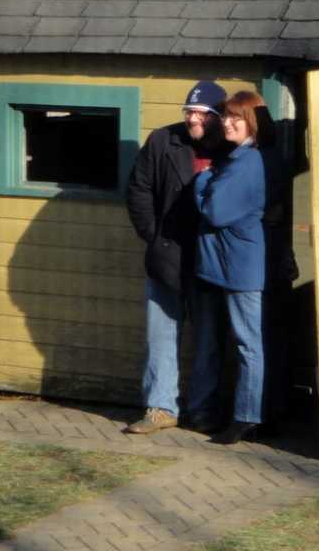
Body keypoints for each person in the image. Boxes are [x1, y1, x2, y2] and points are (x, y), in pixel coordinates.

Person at [124, 80, 227, 434]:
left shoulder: (231, 147)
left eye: (200, 113)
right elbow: (138, 190)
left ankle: (202, 409)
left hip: (212, 257)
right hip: (167, 253)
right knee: (161, 334)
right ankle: (160, 408)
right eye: (189, 111)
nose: (192, 118)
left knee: (209, 336)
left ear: (216, 116)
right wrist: (154, 237)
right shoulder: (162, 141)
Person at [189, 91, 274, 444]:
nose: (227, 122)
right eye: (225, 116)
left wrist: (202, 180)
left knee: (247, 344)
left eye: (236, 117)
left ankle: (246, 417)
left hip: (239, 266)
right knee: (227, 342)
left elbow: (214, 211)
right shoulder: (236, 159)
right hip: (223, 265)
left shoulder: (247, 163)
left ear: (252, 122)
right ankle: (231, 413)